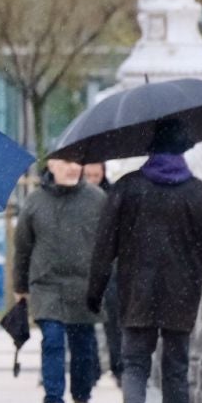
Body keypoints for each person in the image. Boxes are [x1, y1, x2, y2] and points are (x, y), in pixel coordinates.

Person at [87, 119, 202, 403]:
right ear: (183, 150)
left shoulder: (128, 188)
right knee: (176, 368)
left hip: (136, 290)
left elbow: (105, 245)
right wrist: (189, 258)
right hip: (182, 292)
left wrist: (95, 290)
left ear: (149, 149)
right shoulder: (198, 192)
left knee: (134, 362)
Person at [12, 159, 107, 403]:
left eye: (77, 162)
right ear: (51, 164)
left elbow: (108, 243)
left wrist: (105, 280)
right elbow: (23, 247)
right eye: (65, 162)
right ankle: (53, 402)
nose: (72, 168)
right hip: (46, 284)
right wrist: (20, 286)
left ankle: (81, 401)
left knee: (82, 347)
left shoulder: (96, 199)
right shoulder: (35, 201)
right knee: (52, 339)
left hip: (84, 285)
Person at [84, 162, 125, 386]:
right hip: (86, 264)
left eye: (95, 173)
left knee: (112, 319)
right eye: (88, 174)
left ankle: (117, 367)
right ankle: (93, 369)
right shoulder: (80, 198)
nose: (92, 177)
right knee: (85, 319)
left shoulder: (112, 195)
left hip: (109, 266)